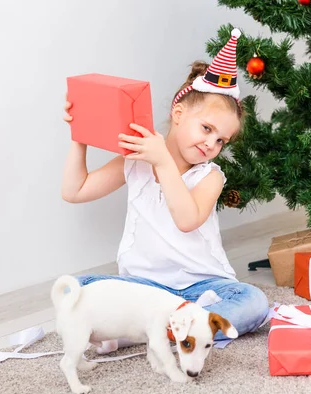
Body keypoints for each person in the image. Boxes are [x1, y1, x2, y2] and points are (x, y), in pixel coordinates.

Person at [61, 28, 269, 352]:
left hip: (202, 287)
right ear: (178, 113)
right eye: (207, 129)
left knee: (253, 301)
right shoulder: (135, 162)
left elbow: (186, 219)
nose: (211, 144)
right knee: (77, 288)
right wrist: (80, 138)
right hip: (146, 289)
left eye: (221, 141)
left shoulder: (210, 176)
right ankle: (168, 326)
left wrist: (163, 162)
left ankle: (166, 328)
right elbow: (75, 191)